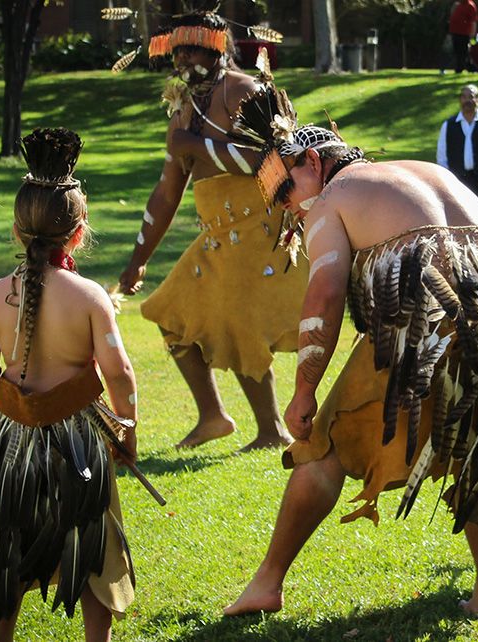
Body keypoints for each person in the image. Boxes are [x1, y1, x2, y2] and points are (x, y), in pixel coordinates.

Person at [221, 84, 478, 618]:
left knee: (324, 443)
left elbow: (325, 292)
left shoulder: (332, 198)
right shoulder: (426, 172)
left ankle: (266, 583)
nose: (288, 209)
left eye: (285, 191)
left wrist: (304, 389)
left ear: (312, 161)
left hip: (428, 317)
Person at [0, 128, 138, 640]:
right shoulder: (89, 296)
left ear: (17, 231)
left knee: (5, 546)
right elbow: (121, 374)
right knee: (91, 544)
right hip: (80, 443)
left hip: (12, 443)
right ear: (79, 233)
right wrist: (128, 436)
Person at [118, 11, 304, 451]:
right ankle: (213, 416)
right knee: (170, 313)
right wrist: (137, 260)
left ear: (216, 47)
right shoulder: (184, 109)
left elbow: (274, 159)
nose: (183, 58)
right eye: (177, 49)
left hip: (262, 229)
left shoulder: (247, 90)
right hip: (219, 235)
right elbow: (166, 195)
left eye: (192, 48)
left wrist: (196, 145)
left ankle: (272, 429)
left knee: (241, 326)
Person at [448, 0, 478, 74]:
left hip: (464, 33)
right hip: (455, 32)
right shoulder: (458, 5)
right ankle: (462, 67)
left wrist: (472, 33)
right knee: (457, 51)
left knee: (463, 52)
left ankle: (468, 68)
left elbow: (473, 21)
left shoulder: (470, 5)